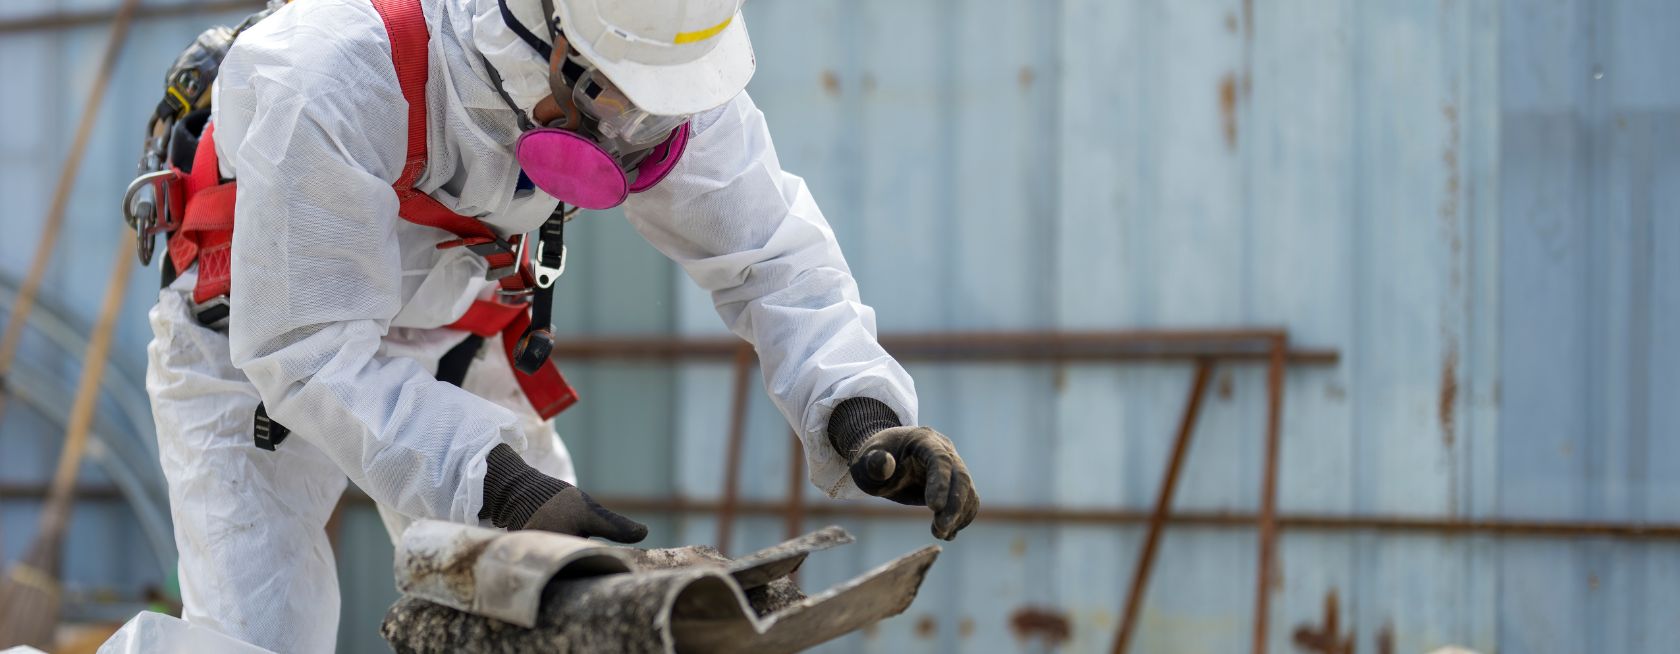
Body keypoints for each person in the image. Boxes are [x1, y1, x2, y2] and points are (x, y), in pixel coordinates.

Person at [143, 0, 979, 650]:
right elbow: (307, 348)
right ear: (553, 39)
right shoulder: (336, 68)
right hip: (251, 345)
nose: (641, 139)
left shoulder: (663, 68)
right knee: (251, 639)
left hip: (456, 332)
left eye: (663, 114)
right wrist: (500, 483)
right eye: (626, 106)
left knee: (559, 614)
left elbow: (771, 258)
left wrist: (858, 408)